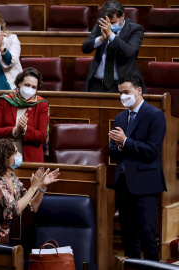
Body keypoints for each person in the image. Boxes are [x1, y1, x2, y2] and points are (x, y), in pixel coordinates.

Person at [108, 72, 166, 261]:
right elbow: (113, 152)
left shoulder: (155, 115)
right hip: (124, 184)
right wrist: (119, 146)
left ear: (138, 90)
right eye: (120, 92)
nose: (123, 96)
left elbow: (152, 152)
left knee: (147, 236)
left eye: (126, 92)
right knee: (128, 237)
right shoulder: (120, 117)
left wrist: (125, 142)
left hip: (145, 185)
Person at [0, 139, 60, 244]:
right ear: (5, 159)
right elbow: (14, 210)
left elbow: (33, 206)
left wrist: (42, 186)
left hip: (1, 235)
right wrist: (33, 187)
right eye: (16, 152)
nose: (20, 155)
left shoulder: (12, 178)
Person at [82, 1, 144, 93]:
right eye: (108, 23)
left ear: (122, 16)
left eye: (113, 22)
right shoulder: (101, 24)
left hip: (122, 87)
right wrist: (101, 39)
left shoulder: (135, 30)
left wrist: (110, 35)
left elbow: (129, 52)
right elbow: (85, 48)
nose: (109, 26)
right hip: (96, 85)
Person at [0, 67, 48, 162]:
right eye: (27, 85)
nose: (30, 89)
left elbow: (42, 136)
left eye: (34, 87)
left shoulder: (41, 105)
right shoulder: (4, 101)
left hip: (31, 159)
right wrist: (15, 130)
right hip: (5, 158)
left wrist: (25, 129)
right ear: (19, 83)